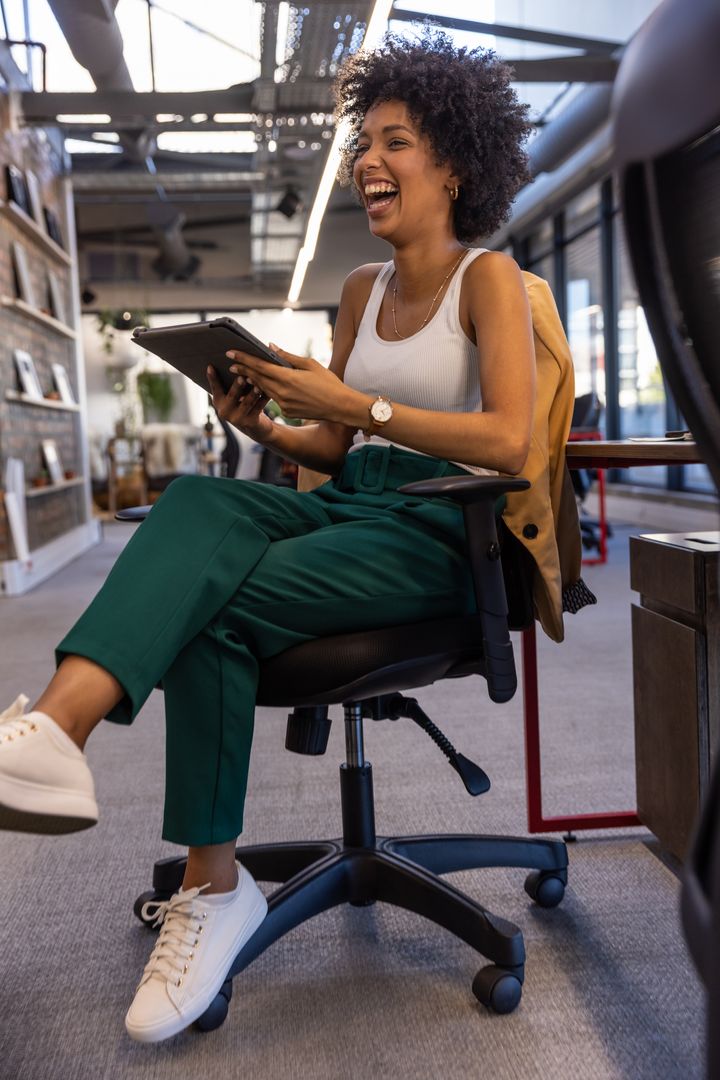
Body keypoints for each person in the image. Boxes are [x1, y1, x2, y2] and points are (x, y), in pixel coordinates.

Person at [0, 30, 536, 1043]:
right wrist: (267, 424)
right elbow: (330, 449)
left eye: (397, 142)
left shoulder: (487, 281)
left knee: (209, 601)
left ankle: (211, 887)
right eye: (364, 142)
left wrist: (356, 407)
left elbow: (508, 437)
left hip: (439, 528)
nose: (370, 162)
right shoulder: (358, 295)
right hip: (352, 500)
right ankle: (58, 736)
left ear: (454, 165)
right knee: (198, 508)